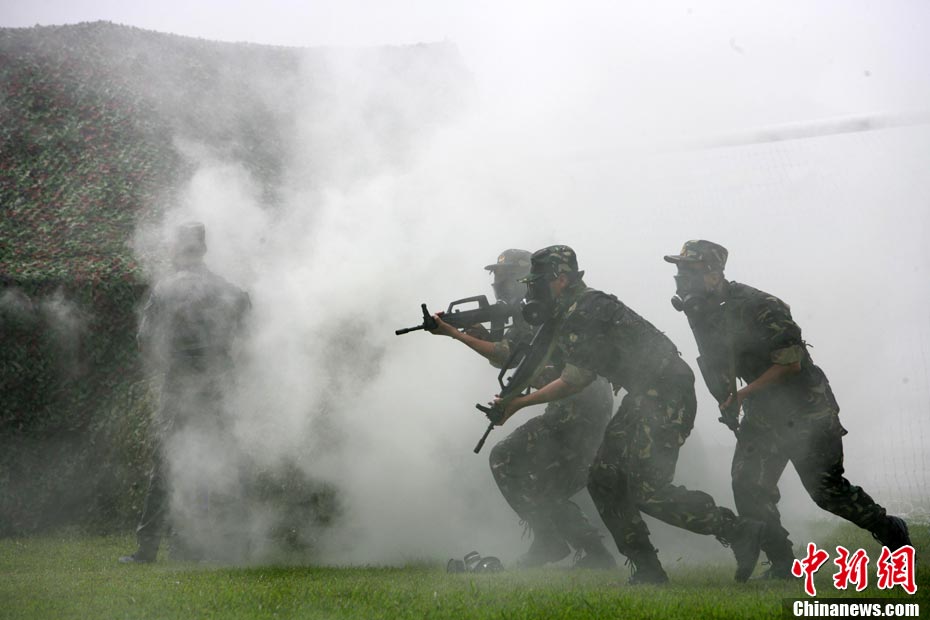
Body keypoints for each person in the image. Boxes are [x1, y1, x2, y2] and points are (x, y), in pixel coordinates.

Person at [494, 245, 764, 584]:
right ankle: (648, 569)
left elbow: (574, 380)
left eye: (538, 283)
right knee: (602, 478)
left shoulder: (585, 310)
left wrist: (518, 404)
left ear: (560, 279)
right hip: (644, 395)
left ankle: (737, 530)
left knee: (647, 489)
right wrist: (512, 394)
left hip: (667, 392)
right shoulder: (569, 309)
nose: (533, 291)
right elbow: (536, 358)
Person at [664, 240, 912, 579]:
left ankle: (891, 530)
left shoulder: (760, 305)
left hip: (806, 408)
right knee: (747, 484)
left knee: (827, 492)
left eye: (690, 270)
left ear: (714, 274)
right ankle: (782, 563)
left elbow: (790, 363)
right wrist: (729, 397)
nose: (683, 277)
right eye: (680, 270)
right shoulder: (703, 310)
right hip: (764, 412)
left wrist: (742, 394)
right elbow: (717, 361)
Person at [429, 249, 616, 569]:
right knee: (540, 483)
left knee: (507, 460)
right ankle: (591, 553)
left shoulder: (537, 311)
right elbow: (512, 357)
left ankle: (554, 543)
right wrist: (476, 335)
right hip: (572, 406)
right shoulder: (531, 311)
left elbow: (505, 353)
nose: (498, 282)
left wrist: (455, 334)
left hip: (579, 406)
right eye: (495, 276)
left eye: (504, 276)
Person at [119, 222, 250, 564]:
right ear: (203, 249)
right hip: (219, 387)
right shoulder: (230, 291)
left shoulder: (164, 290)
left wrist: (168, 364)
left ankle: (148, 549)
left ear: (178, 249)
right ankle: (229, 545)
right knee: (221, 463)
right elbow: (247, 338)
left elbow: (145, 341)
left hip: (178, 387)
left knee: (166, 465)